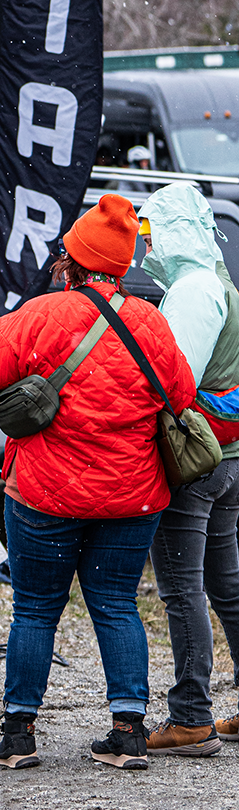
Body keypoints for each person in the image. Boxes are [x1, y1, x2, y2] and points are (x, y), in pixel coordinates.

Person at [0, 193, 197, 772]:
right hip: (133, 495)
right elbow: (182, 394)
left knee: (36, 609)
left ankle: (20, 735)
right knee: (116, 604)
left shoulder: (40, 314)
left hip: (46, 493)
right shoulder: (150, 322)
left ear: (74, 260)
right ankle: (128, 733)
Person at [140, 184, 239, 756]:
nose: (145, 246)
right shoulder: (220, 280)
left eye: (151, 232)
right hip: (228, 459)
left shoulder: (194, 290)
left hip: (196, 463)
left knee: (183, 589)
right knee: (226, 587)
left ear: (174, 231)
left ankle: (191, 717)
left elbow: (171, 381)